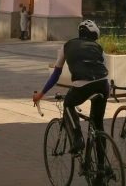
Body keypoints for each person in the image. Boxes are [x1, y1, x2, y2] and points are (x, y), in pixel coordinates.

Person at [33, 20, 109, 165]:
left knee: (68, 103)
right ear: (93, 36)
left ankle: (78, 139)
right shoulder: (99, 48)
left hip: (82, 85)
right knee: (99, 126)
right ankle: (101, 169)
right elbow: (104, 72)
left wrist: (41, 93)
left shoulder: (66, 46)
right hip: (102, 85)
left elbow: (56, 74)